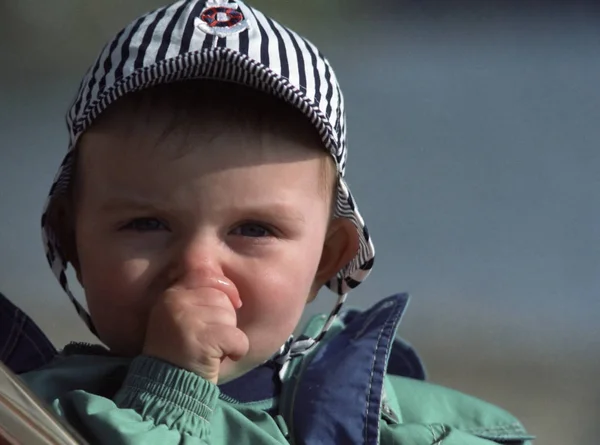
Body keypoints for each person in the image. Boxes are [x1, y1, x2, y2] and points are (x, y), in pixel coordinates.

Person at [19, 1, 534, 443]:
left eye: (254, 229)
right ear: (73, 243)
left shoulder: (394, 423)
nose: (198, 269)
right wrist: (169, 390)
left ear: (327, 259)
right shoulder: (32, 413)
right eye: (146, 224)